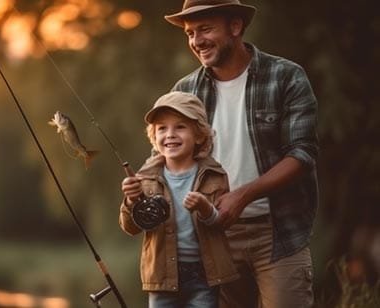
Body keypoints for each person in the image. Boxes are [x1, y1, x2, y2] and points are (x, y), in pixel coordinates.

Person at [163, 1, 319, 307]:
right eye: (190, 33)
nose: (196, 41)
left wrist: (243, 195)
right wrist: (143, 187)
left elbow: (302, 154)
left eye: (205, 29)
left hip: (278, 234)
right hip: (212, 239)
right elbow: (171, 161)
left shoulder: (287, 76)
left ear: (235, 27)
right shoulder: (184, 92)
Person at [120, 91, 239, 308]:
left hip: (205, 275)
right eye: (162, 128)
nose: (170, 134)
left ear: (200, 135)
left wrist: (205, 208)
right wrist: (131, 200)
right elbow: (130, 227)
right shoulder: (144, 178)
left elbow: (222, 223)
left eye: (180, 127)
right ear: (154, 137)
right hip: (162, 277)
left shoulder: (215, 175)